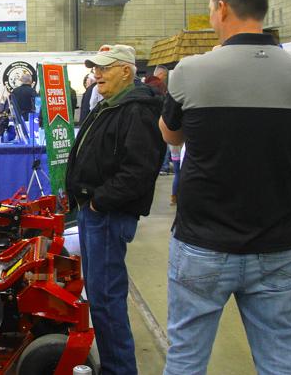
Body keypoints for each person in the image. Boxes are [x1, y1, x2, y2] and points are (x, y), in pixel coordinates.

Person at [159, 0, 291, 375]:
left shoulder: (190, 71)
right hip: (276, 245)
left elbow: (171, 137)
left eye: (211, 9)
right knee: (280, 361)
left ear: (222, 8)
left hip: (202, 246)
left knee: (186, 359)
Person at [65, 44, 166, 375]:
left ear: (126, 70)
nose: (97, 73)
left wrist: (98, 201)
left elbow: (139, 170)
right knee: (100, 296)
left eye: (104, 68)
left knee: (107, 300)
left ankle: (119, 370)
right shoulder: (110, 103)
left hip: (106, 216)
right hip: (96, 214)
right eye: (95, 68)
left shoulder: (136, 110)